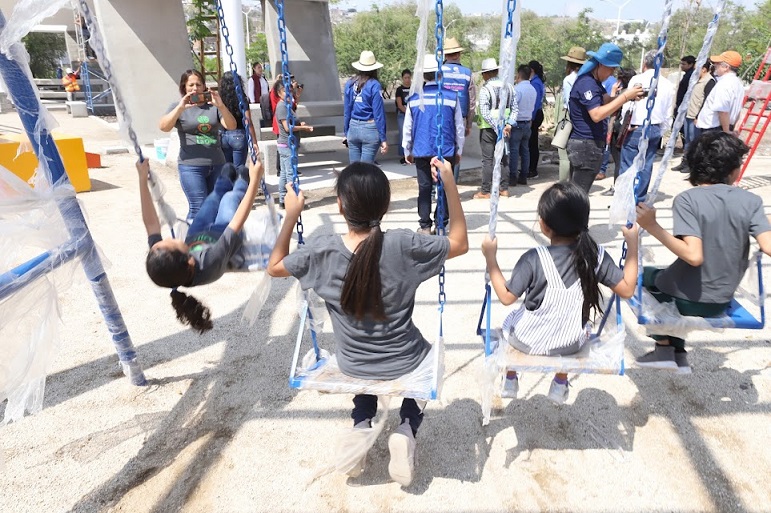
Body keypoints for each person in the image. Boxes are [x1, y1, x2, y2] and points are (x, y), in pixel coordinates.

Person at [267, 158, 468, 486]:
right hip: (405, 361)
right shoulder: (404, 245)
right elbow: (460, 243)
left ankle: (362, 426)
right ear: (385, 207)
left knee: (365, 373)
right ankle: (406, 428)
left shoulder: (322, 252)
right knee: (433, 358)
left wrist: (290, 214)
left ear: (340, 206)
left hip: (353, 364)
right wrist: (448, 182)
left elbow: (274, 266)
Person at [481, 181, 639, 403]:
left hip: (527, 341)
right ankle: (560, 383)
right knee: (576, 326)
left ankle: (510, 375)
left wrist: (491, 260)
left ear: (544, 225)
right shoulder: (595, 256)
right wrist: (633, 245)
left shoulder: (534, 258)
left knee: (510, 323)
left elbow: (506, 297)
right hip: (570, 344)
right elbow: (628, 289)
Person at [634, 132, 771, 373]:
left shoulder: (688, 199)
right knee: (667, 279)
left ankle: (665, 347)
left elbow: (694, 256)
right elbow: (768, 246)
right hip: (720, 300)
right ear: (733, 170)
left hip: (688, 300)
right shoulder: (751, 201)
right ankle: (678, 355)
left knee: (640, 278)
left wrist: (652, 227)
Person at [138, 158, 264, 334]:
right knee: (230, 198)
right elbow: (236, 222)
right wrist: (255, 180)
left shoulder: (167, 261)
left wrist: (142, 178)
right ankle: (242, 179)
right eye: (171, 241)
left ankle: (224, 179)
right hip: (223, 233)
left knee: (214, 198)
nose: (167, 237)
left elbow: (151, 225)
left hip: (198, 236)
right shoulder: (210, 262)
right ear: (189, 261)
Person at [159, 69, 237, 221]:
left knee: (216, 206)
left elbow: (231, 126)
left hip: (217, 164)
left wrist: (221, 106)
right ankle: (192, 241)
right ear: (184, 88)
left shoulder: (213, 107)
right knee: (199, 206)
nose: (195, 88)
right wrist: (180, 108)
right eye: (191, 85)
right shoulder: (178, 107)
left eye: (198, 84)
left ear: (204, 87)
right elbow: (164, 127)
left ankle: (211, 241)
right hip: (191, 166)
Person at [568, 43, 643, 195]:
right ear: (601, 64)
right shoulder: (587, 83)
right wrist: (625, 97)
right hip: (586, 145)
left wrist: (625, 95)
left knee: (576, 195)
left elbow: (603, 100)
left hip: (587, 145)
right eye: (611, 68)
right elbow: (596, 114)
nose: (612, 72)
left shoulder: (593, 83)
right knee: (578, 196)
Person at [403, 54, 465, 234]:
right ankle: (441, 221)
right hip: (446, 149)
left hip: (422, 149)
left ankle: (424, 225)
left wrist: (407, 149)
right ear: (440, 73)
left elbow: (408, 126)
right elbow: (458, 127)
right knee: (445, 187)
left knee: (424, 187)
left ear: (423, 76)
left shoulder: (414, 99)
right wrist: (459, 150)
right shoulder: (452, 97)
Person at [617, 50, 675, 200]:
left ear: (644, 63)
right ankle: (639, 199)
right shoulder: (668, 84)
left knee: (628, 164)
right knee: (646, 164)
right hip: (654, 128)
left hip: (635, 127)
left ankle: (626, 198)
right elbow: (669, 114)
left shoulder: (637, 80)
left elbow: (627, 105)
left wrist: (625, 125)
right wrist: (660, 131)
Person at [473, 58, 517, 199]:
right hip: (505, 129)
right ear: (496, 71)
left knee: (488, 160)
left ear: (485, 74)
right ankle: (504, 189)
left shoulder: (485, 89)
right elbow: (515, 108)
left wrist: (497, 127)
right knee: (503, 158)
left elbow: (485, 112)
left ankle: (485, 190)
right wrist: (508, 125)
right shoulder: (509, 87)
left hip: (488, 129)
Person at [274, 80, 314, 209]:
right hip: (287, 144)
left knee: (285, 174)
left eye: (290, 91)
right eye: (285, 91)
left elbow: (292, 122)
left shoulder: (287, 105)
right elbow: (287, 127)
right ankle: (293, 201)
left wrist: (300, 124)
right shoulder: (281, 107)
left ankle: (283, 200)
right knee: (290, 174)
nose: (288, 94)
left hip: (288, 144)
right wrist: (303, 128)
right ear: (279, 93)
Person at [343, 51, 388, 164]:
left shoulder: (349, 83)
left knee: (354, 169)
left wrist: (346, 132)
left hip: (353, 127)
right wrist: (383, 138)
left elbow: (347, 111)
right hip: (369, 127)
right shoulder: (374, 85)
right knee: (366, 170)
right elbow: (378, 113)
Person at [442, 37, 476, 182]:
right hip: (460, 119)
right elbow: (472, 101)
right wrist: (469, 124)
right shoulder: (467, 73)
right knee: (456, 151)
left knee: (440, 149)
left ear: (446, 55)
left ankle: (437, 187)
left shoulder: (439, 71)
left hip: (442, 117)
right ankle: (452, 186)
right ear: (458, 54)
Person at [672, 62, 715, 173]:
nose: (695, 72)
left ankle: (692, 165)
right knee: (687, 141)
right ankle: (685, 162)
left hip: (696, 117)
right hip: (689, 114)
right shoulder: (697, 81)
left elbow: (706, 101)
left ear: (704, 69)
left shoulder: (710, 81)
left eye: (697, 69)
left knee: (694, 142)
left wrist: (698, 116)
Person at [218, 71, 260, 168]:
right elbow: (248, 121)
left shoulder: (220, 99)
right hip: (239, 134)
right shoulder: (242, 99)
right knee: (239, 169)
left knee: (226, 169)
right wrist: (254, 141)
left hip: (223, 134)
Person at [696, 51, 745, 134]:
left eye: (717, 64)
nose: (715, 66)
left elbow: (723, 111)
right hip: (723, 127)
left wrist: (726, 132)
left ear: (726, 67)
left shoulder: (724, 84)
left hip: (715, 130)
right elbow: (738, 111)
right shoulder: (738, 83)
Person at [557, 47, 587, 182]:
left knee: (563, 153)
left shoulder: (568, 79)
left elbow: (568, 101)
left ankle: (563, 184)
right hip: (583, 118)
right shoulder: (587, 78)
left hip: (569, 116)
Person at [509, 65, 537, 187]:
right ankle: (524, 176)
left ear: (518, 75)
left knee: (514, 151)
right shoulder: (533, 89)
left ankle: (513, 176)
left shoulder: (517, 89)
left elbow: (513, 106)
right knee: (525, 151)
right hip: (528, 122)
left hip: (517, 123)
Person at [596, 70, 620, 181]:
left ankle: (602, 170)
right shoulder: (599, 80)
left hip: (606, 116)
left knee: (606, 144)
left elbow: (611, 100)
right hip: (599, 114)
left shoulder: (612, 82)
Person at [527, 60, 546, 179]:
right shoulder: (538, 82)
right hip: (538, 113)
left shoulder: (535, 83)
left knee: (532, 143)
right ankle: (531, 168)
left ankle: (532, 169)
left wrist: (531, 118)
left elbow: (535, 101)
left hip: (535, 114)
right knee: (532, 142)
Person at [395, 69, 412, 165]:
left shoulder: (414, 88)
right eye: (405, 78)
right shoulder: (399, 90)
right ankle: (402, 155)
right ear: (402, 79)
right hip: (403, 114)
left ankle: (412, 155)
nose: (407, 80)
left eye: (409, 77)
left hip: (413, 114)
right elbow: (399, 104)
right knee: (402, 134)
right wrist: (407, 112)